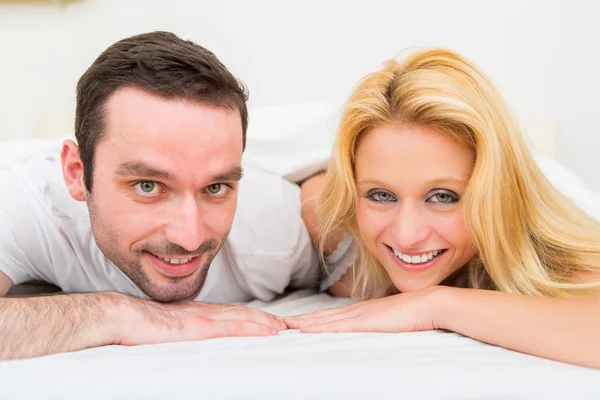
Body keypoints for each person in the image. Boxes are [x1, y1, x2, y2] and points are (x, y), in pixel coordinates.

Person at [0, 31, 320, 360]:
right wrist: (117, 314)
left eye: (215, 188)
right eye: (148, 186)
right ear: (76, 173)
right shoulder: (25, 201)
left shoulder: (272, 223)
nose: (190, 239)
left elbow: (359, 263)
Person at [287, 48, 600, 368]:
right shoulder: (327, 217)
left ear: (495, 193)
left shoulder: (552, 257)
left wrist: (437, 305)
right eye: (381, 196)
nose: (407, 236)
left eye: (443, 197)